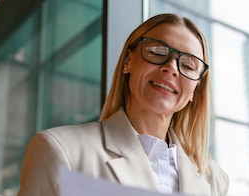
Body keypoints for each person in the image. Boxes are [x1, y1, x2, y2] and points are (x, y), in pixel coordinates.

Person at [18, 13, 229, 196]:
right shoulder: (61, 151)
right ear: (128, 61)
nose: (171, 68)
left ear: (195, 90)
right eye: (157, 52)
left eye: (188, 66)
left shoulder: (214, 181)